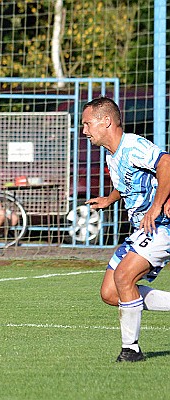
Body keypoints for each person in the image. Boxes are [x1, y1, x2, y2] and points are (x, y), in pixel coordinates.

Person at [83, 96, 170, 362]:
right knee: (111, 294)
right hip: (140, 229)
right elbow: (127, 183)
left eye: (87, 124)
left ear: (106, 121)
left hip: (160, 225)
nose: (84, 131)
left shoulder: (133, 145)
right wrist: (109, 199)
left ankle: (130, 350)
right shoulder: (113, 154)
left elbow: (166, 163)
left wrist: (156, 207)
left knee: (124, 279)